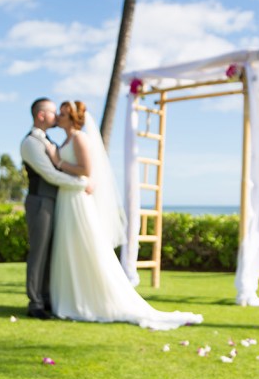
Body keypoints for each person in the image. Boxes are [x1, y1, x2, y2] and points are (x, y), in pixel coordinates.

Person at [43, 100, 203, 330]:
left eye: (64, 114)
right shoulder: (67, 140)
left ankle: (88, 300)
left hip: (77, 199)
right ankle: (71, 299)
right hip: (66, 199)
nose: (59, 116)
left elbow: (86, 171)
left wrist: (58, 161)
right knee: (68, 249)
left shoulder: (79, 138)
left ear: (73, 118)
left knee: (84, 247)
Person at [20, 98, 89, 319]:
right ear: (41, 115)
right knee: (39, 252)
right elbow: (49, 174)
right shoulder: (31, 143)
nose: (56, 117)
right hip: (40, 201)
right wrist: (82, 184)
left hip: (54, 201)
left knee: (51, 253)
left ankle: (47, 298)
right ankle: (36, 303)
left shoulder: (48, 140)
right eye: (52, 113)